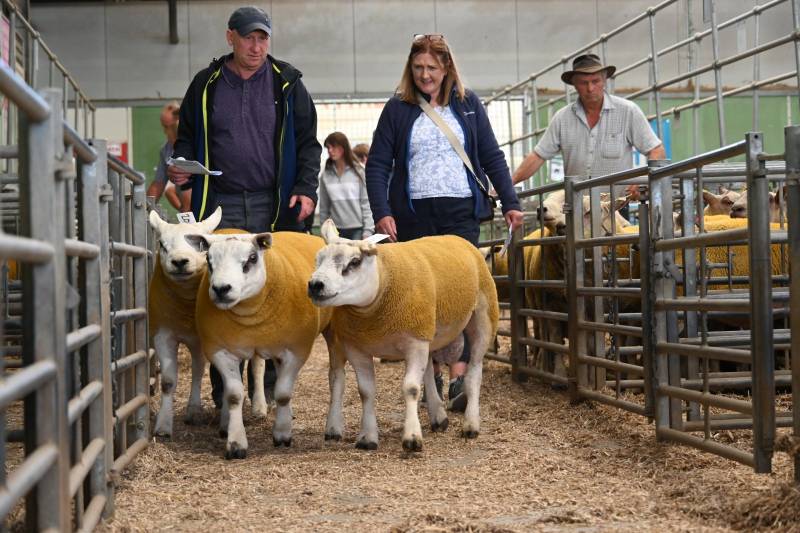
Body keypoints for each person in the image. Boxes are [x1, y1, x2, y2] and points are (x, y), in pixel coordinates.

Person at [167, 5, 322, 409]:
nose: (257, 46)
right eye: (249, 37)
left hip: (274, 202)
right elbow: (185, 139)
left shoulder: (287, 83)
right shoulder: (205, 85)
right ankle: (225, 392)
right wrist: (181, 168)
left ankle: (267, 387)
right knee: (221, 285)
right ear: (230, 37)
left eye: (263, 38)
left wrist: (306, 188)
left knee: (271, 286)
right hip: (220, 202)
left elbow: (309, 143)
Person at [366, 34, 523, 412]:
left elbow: (490, 156)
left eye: (432, 68)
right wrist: (382, 211)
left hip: (460, 211)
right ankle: (429, 374)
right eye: (418, 68)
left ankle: (459, 376)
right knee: (422, 296)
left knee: (461, 292)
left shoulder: (468, 105)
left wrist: (510, 203)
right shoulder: (397, 109)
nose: (425, 75)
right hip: (413, 215)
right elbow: (377, 164)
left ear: (447, 68)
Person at [511, 54, 666, 195]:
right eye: (584, 83)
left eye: (595, 81)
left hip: (616, 206)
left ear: (604, 81)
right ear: (574, 84)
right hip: (577, 206)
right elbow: (538, 155)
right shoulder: (562, 118)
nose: (590, 88)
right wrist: (508, 184)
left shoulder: (628, 111)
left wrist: (641, 178)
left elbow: (656, 150)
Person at [318, 132, 374, 240]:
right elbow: (324, 207)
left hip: (358, 229)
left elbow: (366, 203)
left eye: (333, 146)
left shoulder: (360, 172)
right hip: (335, 231)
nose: (330, 150)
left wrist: (368, 231)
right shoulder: (325, 176)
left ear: (343, 148)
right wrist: (323, 230)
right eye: (328, 147)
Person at [146, 101, 191, 211]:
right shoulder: (166, 150)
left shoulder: (197, 143)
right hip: (188, 213)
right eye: (165, 127)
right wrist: (143, 209)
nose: (166, 131)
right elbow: (158, 185)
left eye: (169, 126)